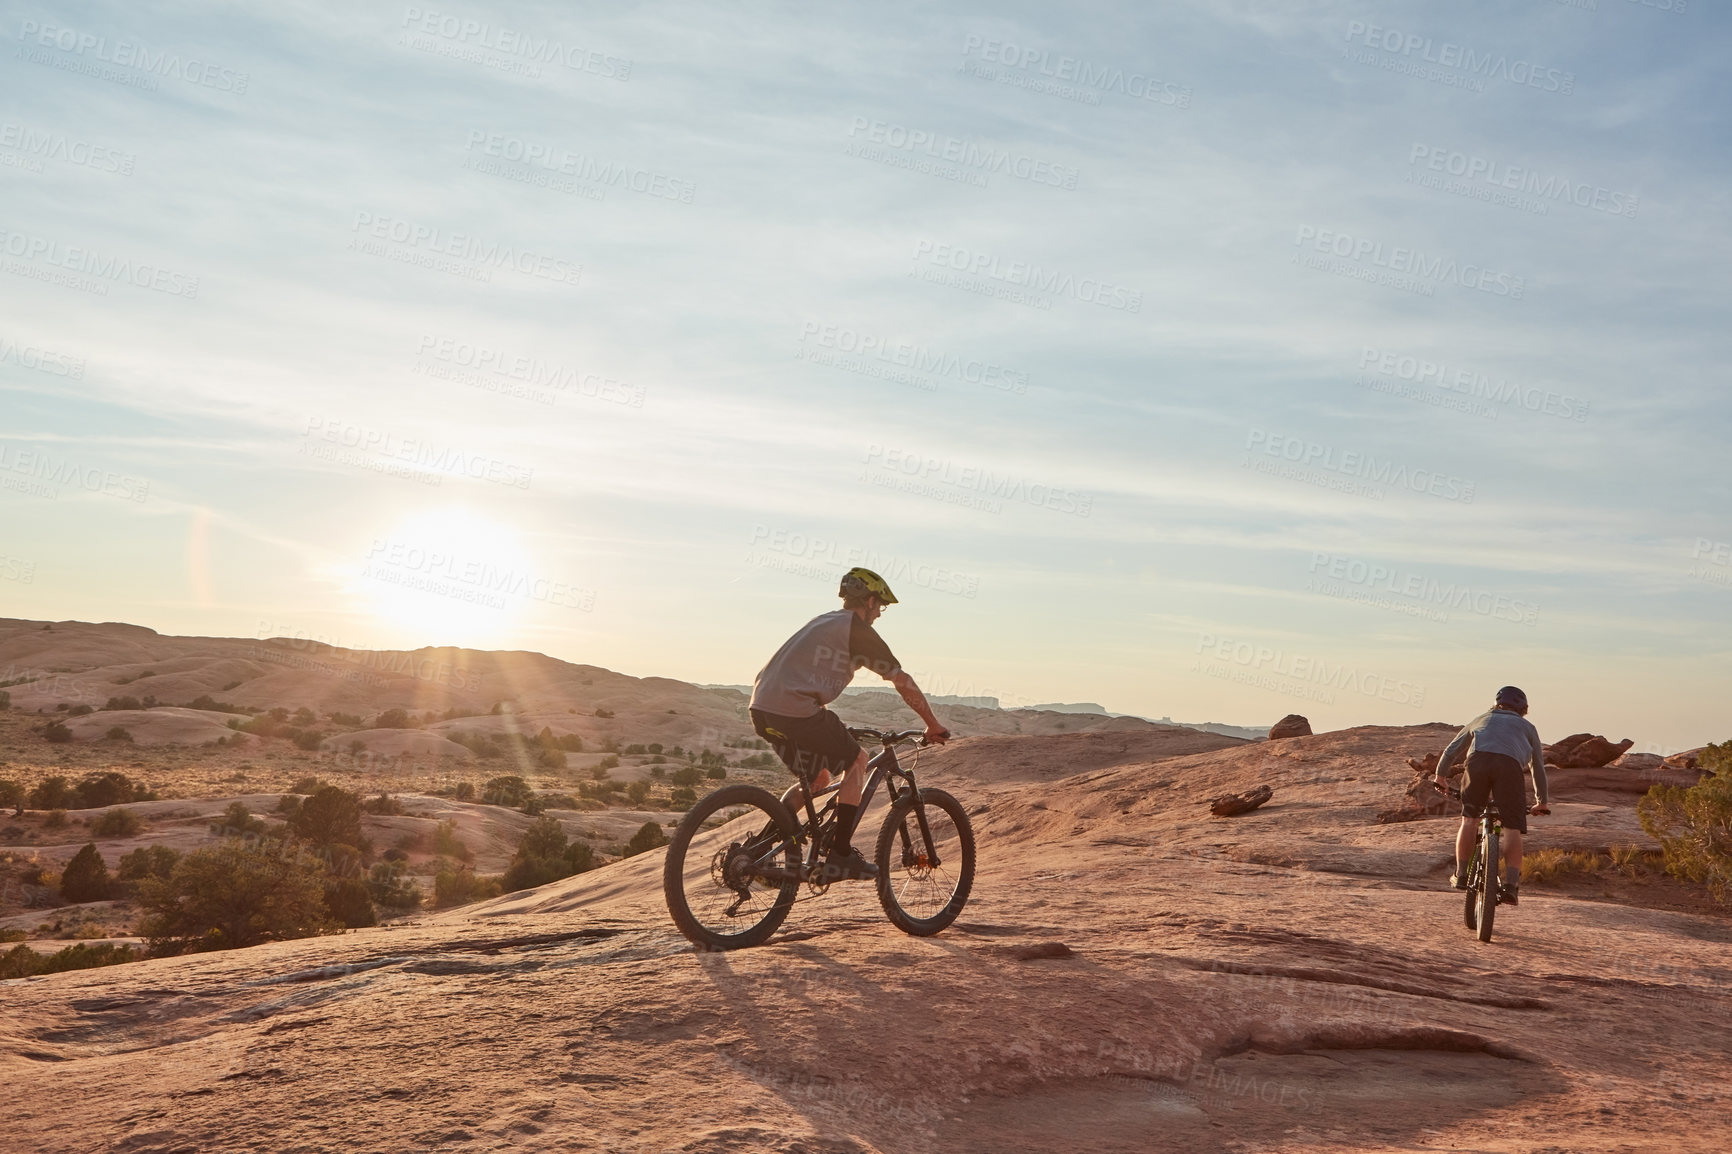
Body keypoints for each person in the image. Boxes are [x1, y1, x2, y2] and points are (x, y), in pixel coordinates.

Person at [748, 567, 950, 881]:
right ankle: (840, 854)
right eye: (880, 606)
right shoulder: (857, 630)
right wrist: (932, 724)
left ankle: (758, 851)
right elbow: (902, 680)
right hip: (795, 710)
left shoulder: (824, 622)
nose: (879, 614)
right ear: (869, 601)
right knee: (858, 759)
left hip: (762, 709)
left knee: (818, 781)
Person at [1433, 685, 1551, 905]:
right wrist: (1541, 802)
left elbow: (1452, 750)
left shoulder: (1481, 719)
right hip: (1509, 768)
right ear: (1523, 709)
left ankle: (1461, 875)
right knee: (1512, 828)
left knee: (1469, 820)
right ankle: (1511, 887)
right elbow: (1538, 766)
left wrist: (1440, 776)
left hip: (1478, 763)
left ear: (1496, 703)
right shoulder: (1528, 727)